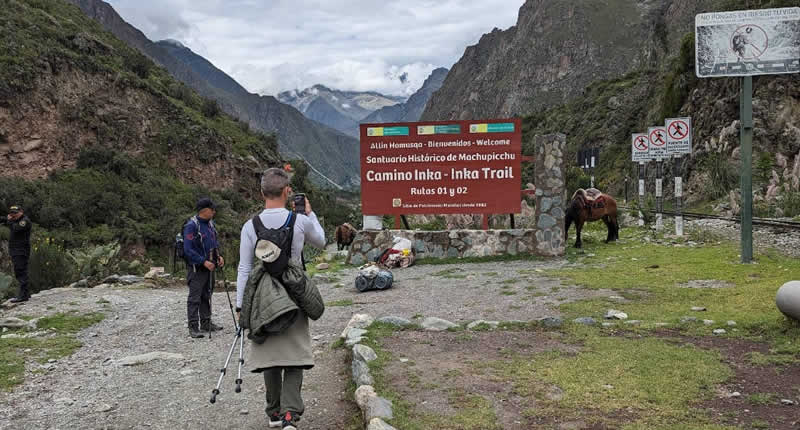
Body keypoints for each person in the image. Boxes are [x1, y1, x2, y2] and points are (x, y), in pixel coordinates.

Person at [236, 168, 325, 430]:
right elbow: (321, 242)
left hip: (263, 295)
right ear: (288, 192)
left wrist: (242, 306)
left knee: (271, 354)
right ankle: (290, 415)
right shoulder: (299, 221)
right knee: (295, 353)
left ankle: (274, 412)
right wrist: (309, 213)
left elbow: (244, 268)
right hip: (294, 292)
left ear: (262, 192)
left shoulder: (250, 225)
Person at [183, 197, 225, 338]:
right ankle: (193, 327)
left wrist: (219, 257)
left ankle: (206, 323)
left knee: (207, 294)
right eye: (212, 209)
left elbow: (214, 243)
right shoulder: (191, 226)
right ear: (205, 210)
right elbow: (188, 250)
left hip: (210, 266)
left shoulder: (210, 224)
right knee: (195, 297)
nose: (214, 211)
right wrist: (203, 261)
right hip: (197, 268)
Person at [3, 205, 31, 303]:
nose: (13, 215)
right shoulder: (16, 220)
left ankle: (23, 296)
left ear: (21, 212)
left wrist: (9, 221)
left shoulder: (24, 221)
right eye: (11, 213)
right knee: (20, 271)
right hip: (16, 250)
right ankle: (25, 294)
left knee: (20, 271)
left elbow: (15, 229)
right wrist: (7, 220)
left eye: (15, 213)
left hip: (21, 250)